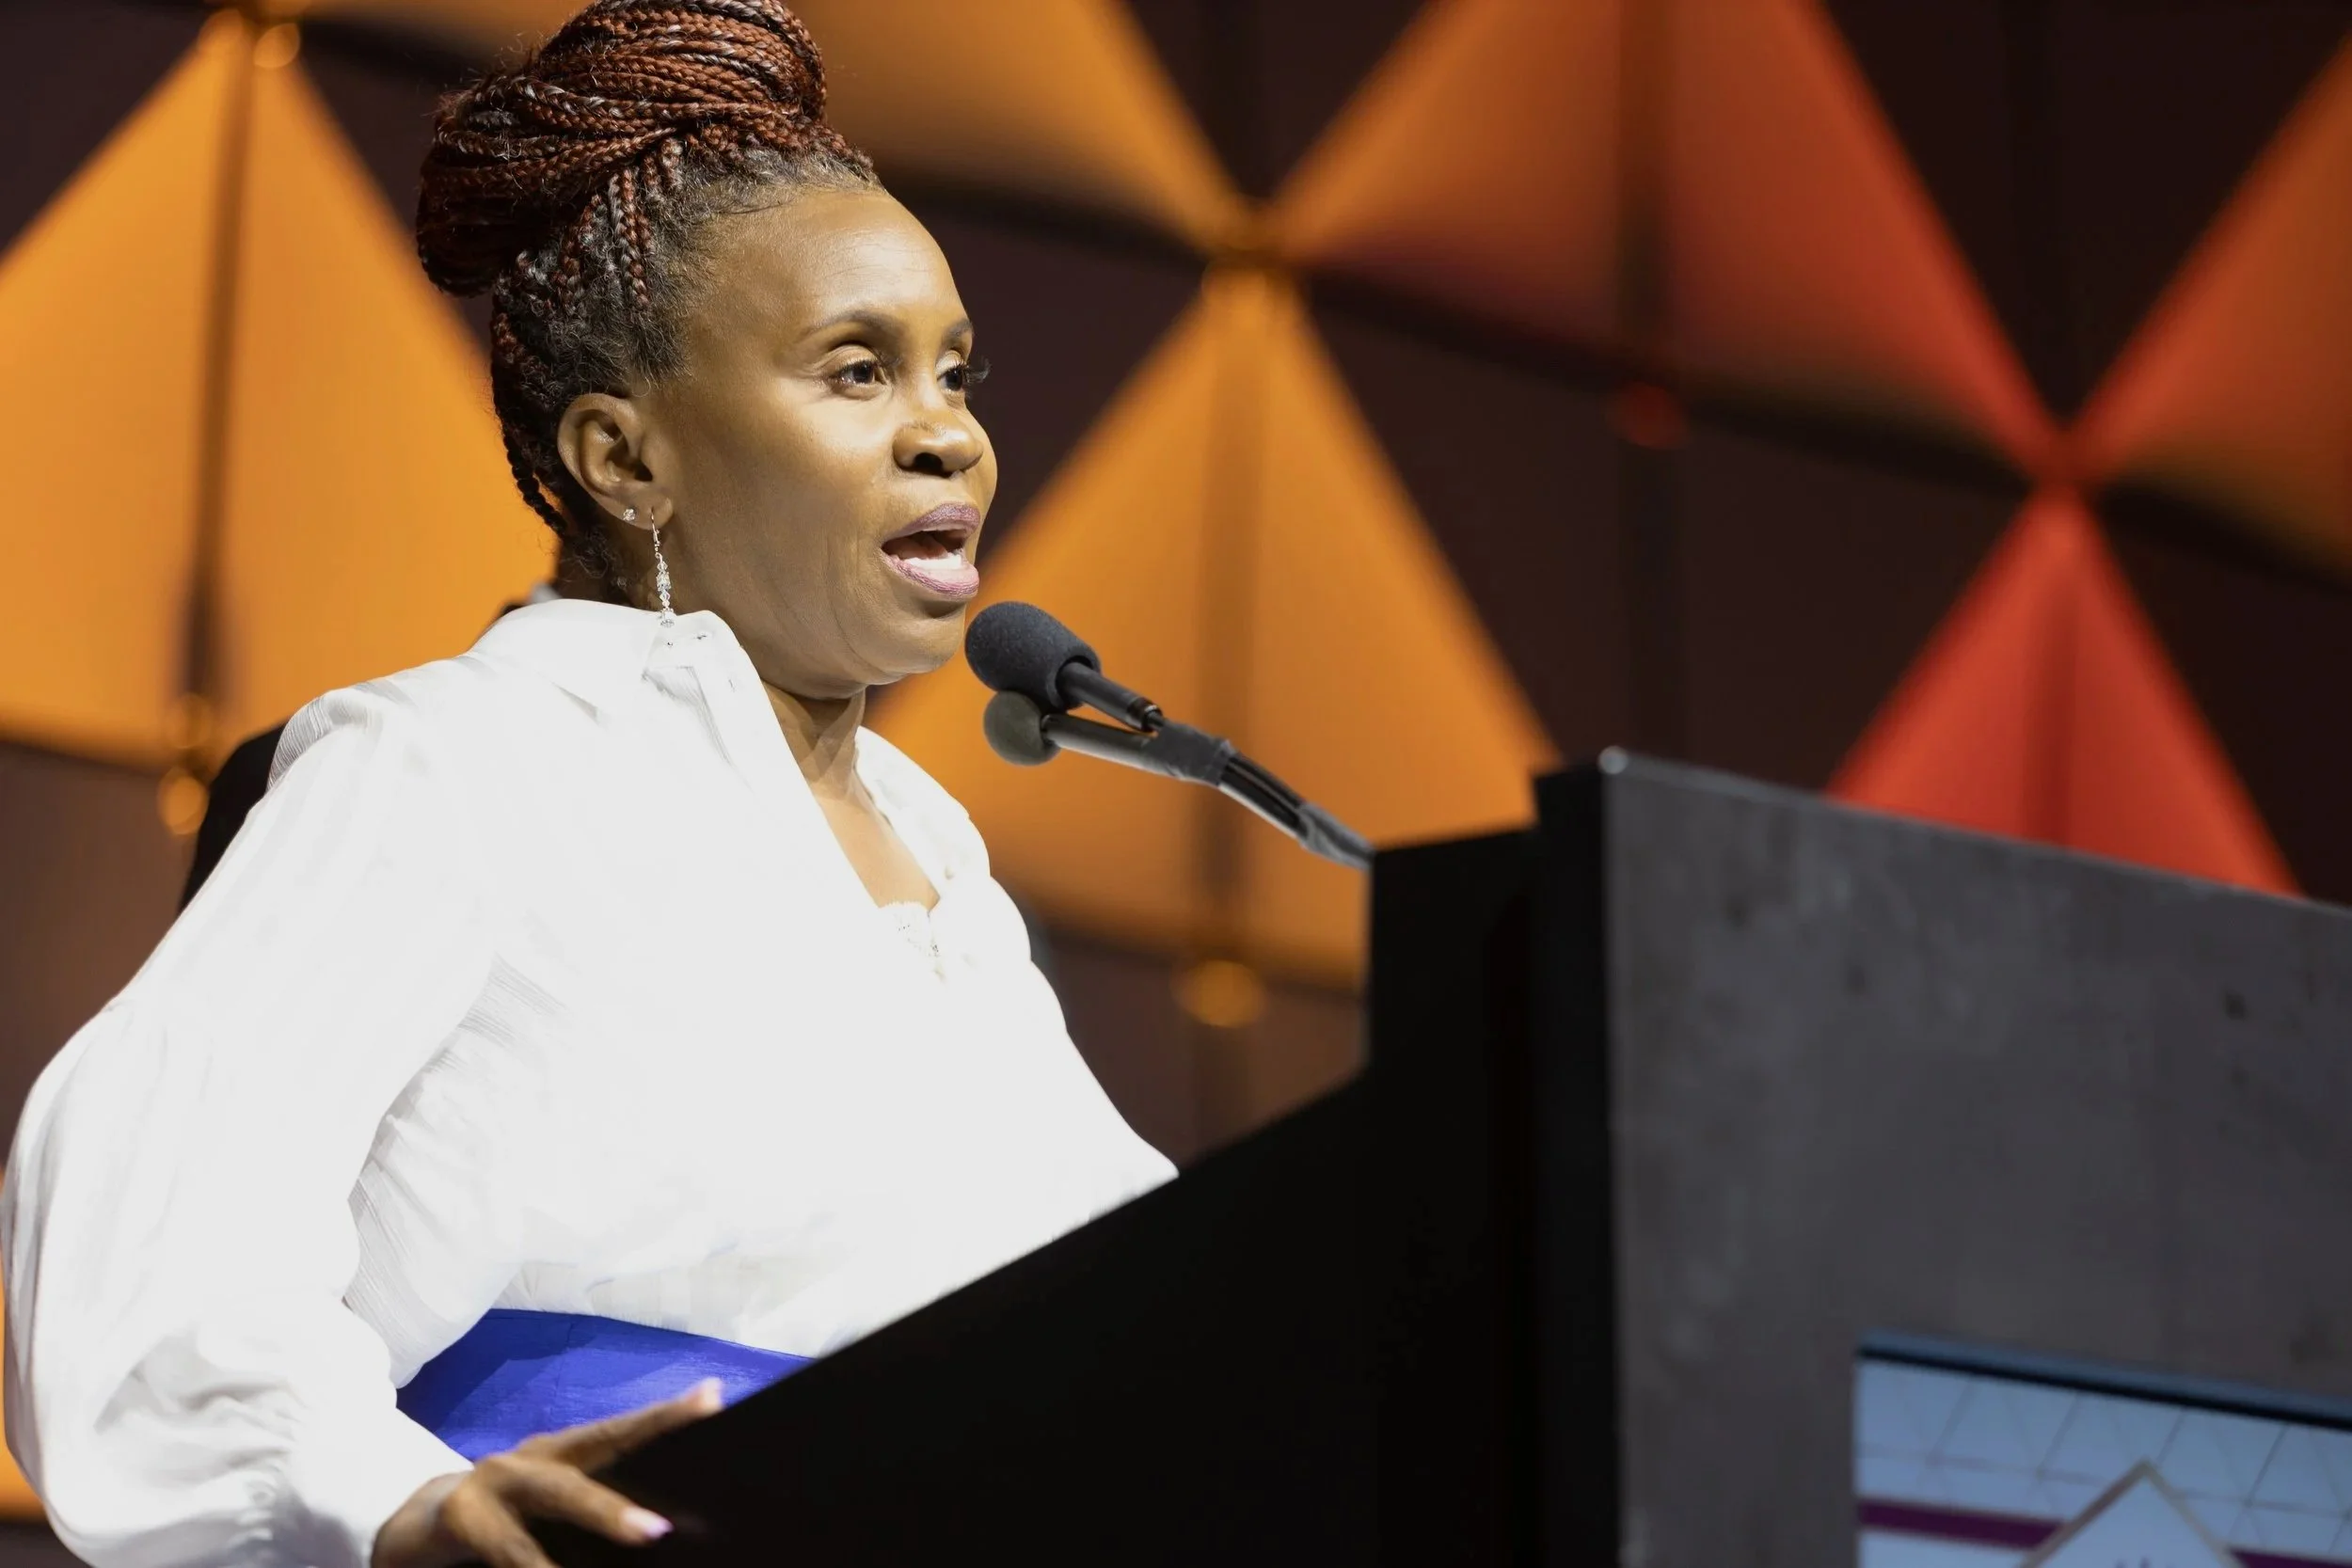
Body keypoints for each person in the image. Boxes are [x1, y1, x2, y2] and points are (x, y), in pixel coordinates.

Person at [0, 6, 1173, 1566]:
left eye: (954, 370)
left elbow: (1132, 1297)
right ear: (627, 459)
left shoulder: (935, 853)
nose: (946, 432)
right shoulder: (458, 762)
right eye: (856, 371)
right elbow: (139, 1211)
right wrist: (387, 1497)